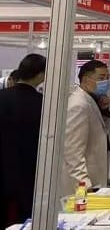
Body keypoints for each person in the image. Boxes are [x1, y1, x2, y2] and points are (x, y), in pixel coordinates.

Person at [0, 55, 46, 229]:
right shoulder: (43, 103)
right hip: (29, 171)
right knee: (25, 220)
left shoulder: (2, 96)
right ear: (40, 74)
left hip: (3, 168)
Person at [62, 60, 110, 196]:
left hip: (94, 178)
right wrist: (83, 184)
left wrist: (104, 110)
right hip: (84, 185)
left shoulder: (90, 100)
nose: (105, 82)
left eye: (107, 78)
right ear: (85, 79)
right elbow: (73, 151)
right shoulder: (78, 105)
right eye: (101, 78)